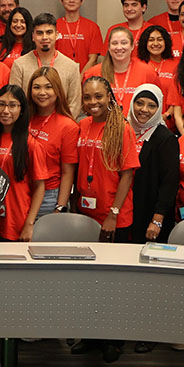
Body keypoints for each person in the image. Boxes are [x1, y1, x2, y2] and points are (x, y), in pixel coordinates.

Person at [75, 76, 141, 244]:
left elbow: (127, 175)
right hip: (87, 211)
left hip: (113, 216)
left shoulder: (121, 128)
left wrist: (113, 214)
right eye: (87, 97)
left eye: (98, 96)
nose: (92, 102)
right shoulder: (82, 125)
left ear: (109, 97)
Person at [0, 85, 49, 242]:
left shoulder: (31, 145)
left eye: (12, 105)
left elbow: (39, 187)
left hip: (16, 221)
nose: (5, 110)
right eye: (1, 104)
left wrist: (29, 224)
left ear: (22, 109)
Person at [127, 84, 178, 243]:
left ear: (159, 109)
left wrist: (157, 219)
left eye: (152, 106)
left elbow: (169, 183)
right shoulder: (123, 130)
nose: (144, 109)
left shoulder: (166, 138)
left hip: (150, 212)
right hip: (125, 209)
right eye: (139, 103)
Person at [27, 67, 79, 217]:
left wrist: (60, 207)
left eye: (48, 87)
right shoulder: (23, 119)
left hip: (49, 198)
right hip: (21, 193)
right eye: (36, 87)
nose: (42, 92)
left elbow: (67, 172)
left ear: (57, 90)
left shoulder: (68, 126)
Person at [9, 13, 82, 117]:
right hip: (28, 126)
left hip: (60, 127)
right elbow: (14, 101)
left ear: (56, 35)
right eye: (39, 33)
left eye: (49, 32)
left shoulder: (71, 66)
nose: (44, 37)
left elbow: (74, 104)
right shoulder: (19, 65)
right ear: (33, 36)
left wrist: (61, 128)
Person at [83, 27, 158, 117]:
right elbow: (86, 107)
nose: (119, 47)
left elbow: (157, 105)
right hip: (104, 127)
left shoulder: (147, 72)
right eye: (114, 43)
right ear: (109, 47)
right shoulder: (93, 73)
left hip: (138, 128)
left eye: (124, 43)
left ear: (132, 46)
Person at [57, 0, 104, 71]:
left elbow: (93, 59)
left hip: (85, 79)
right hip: (59, 78)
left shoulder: (92, 27)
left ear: (82, 1)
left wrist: (80, 78)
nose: (71, 0)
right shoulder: (54, 26)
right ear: (61, 0)